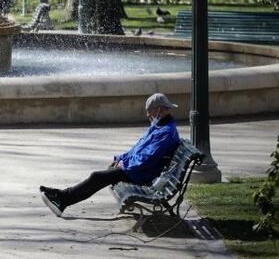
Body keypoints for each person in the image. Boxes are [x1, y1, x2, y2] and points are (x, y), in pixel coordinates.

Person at [39, 93, 181, 217]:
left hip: (142, 174)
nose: (148, 115)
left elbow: (146, 158)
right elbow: (137, 150)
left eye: (149, 112)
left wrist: (124, 165)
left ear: (159, 110)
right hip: (139, 170)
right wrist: (120, 159)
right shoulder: (159, 127)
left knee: (98, 177)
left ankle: (62, 198)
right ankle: (62, 199)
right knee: (101, 177)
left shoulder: (165, 132)